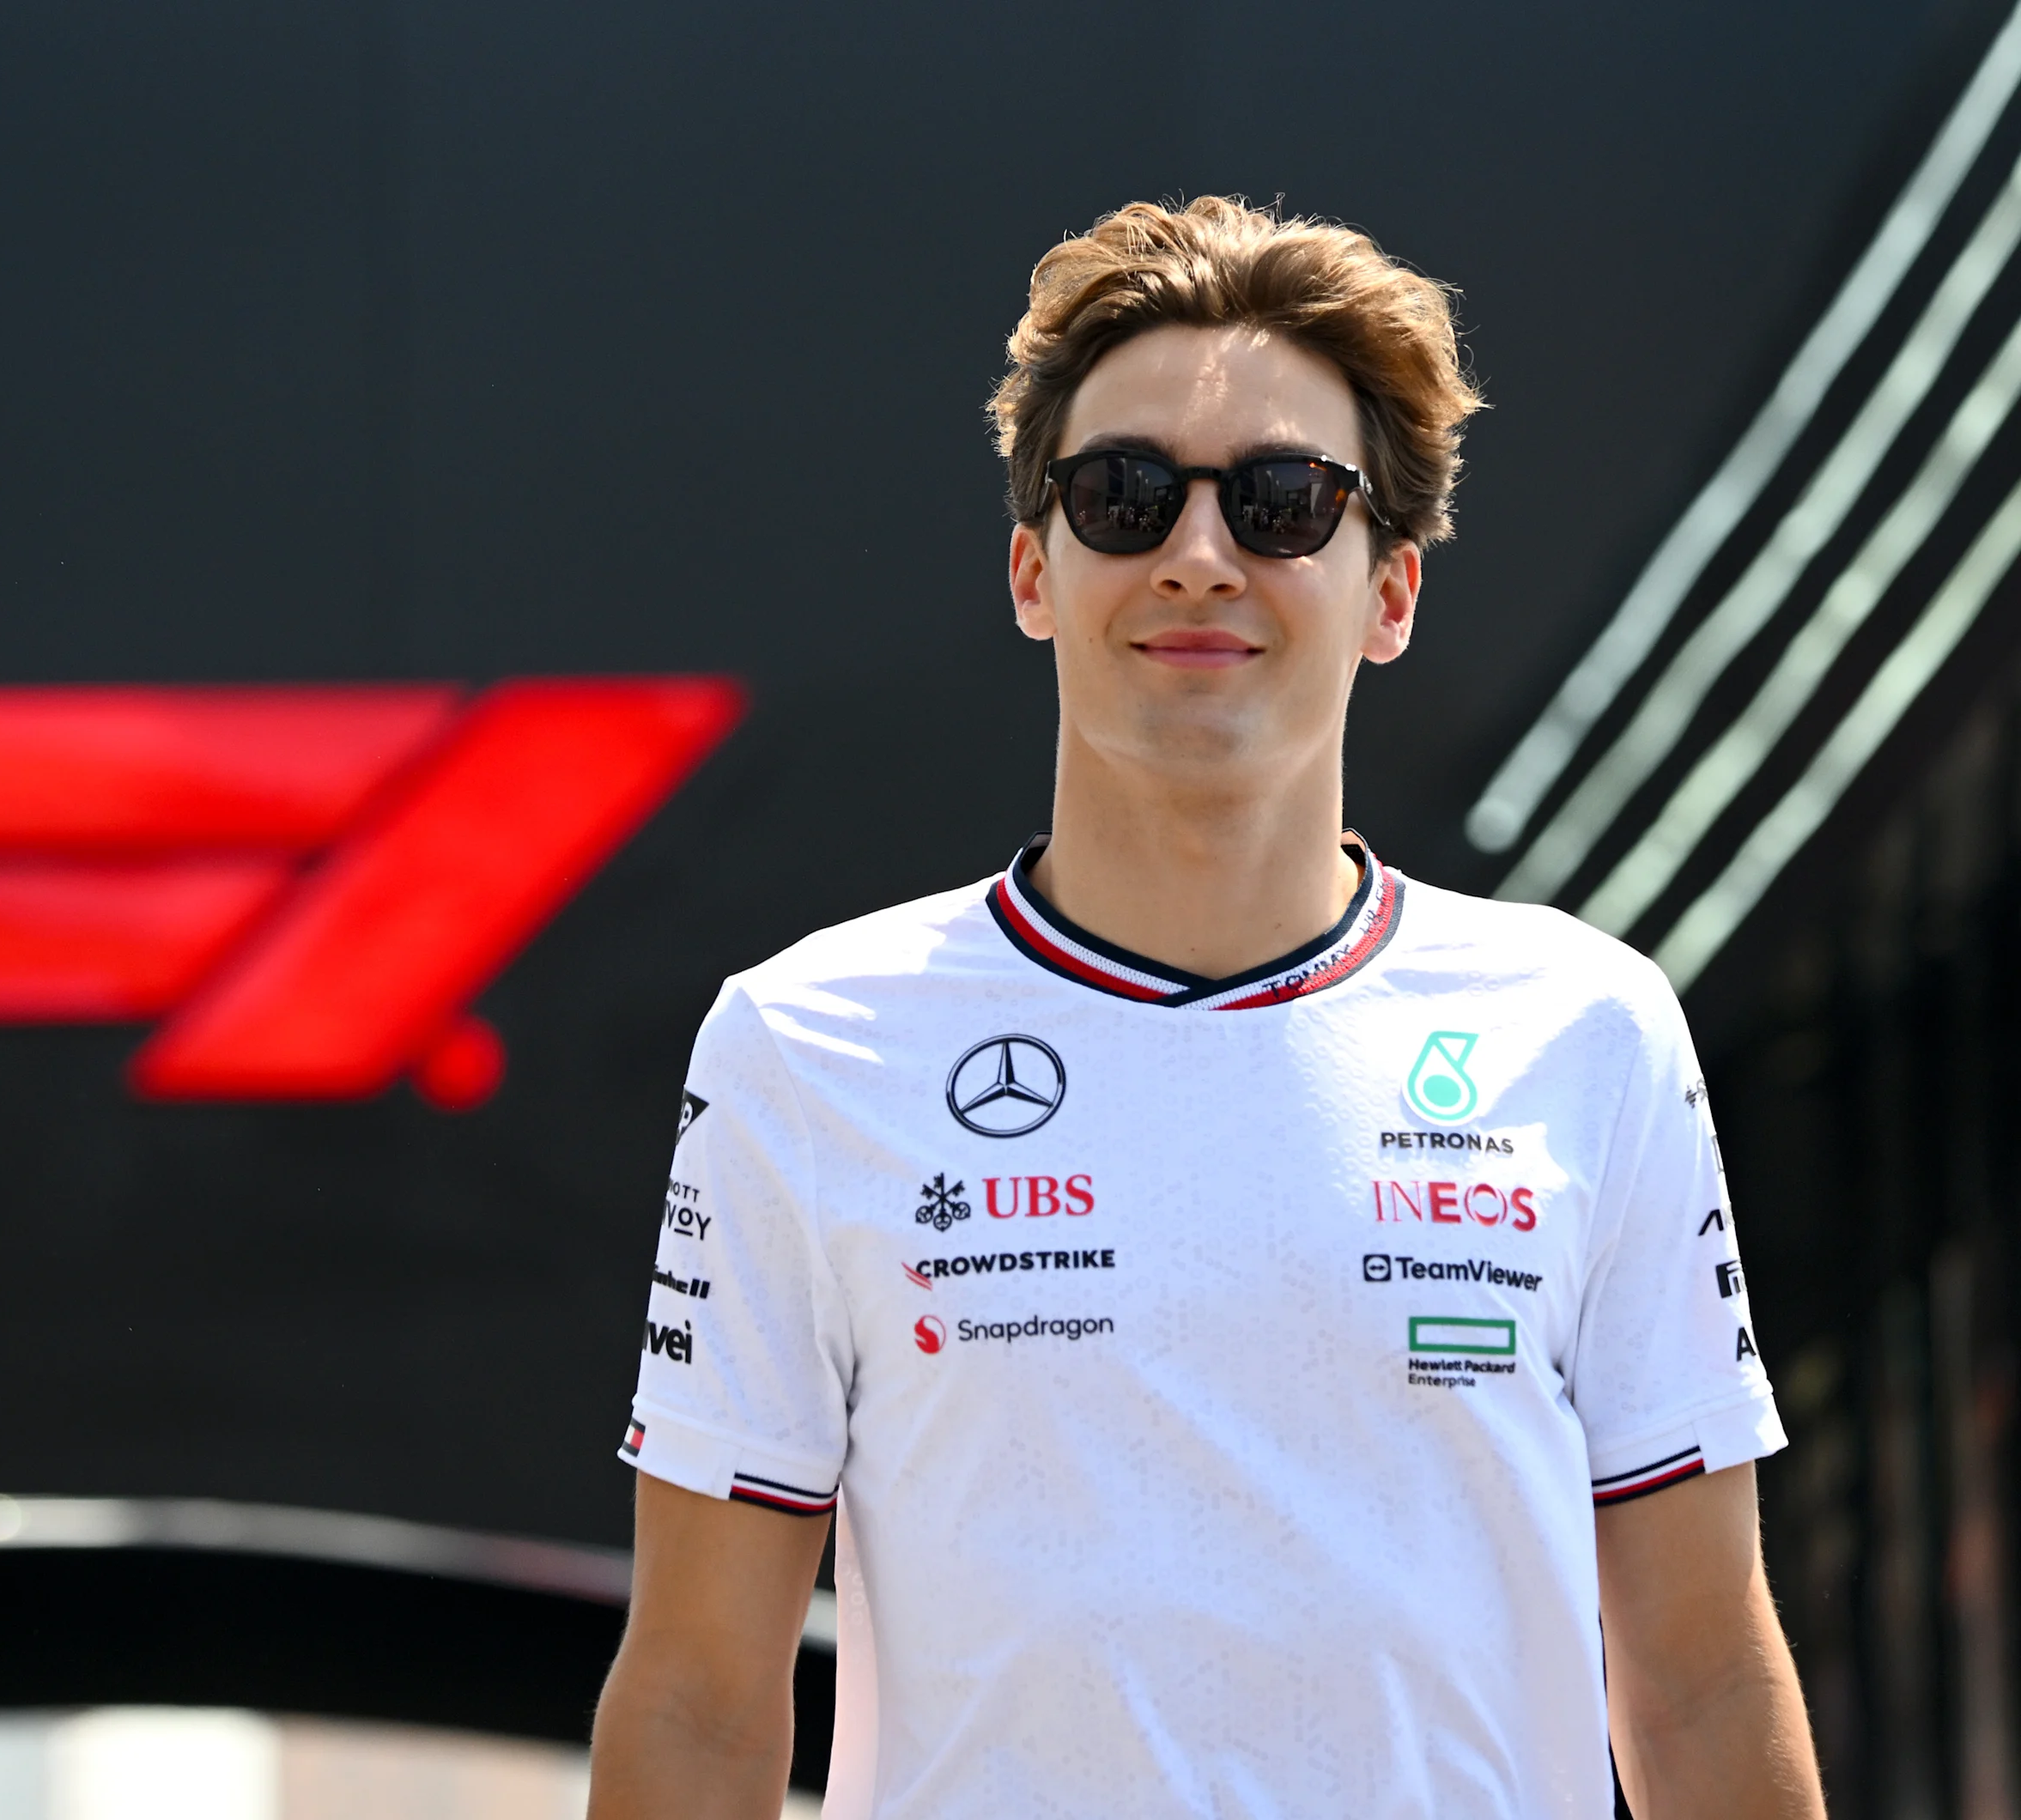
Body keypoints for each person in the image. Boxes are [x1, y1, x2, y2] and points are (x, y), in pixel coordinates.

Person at [586, 197, 1824, 1819]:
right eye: (1122, 494)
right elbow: (697, 1698)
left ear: (1391, 593)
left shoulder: (1591, 1031)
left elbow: (1705, 1674)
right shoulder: (800, 1049)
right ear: (1036, 571)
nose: (1198, 552)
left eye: (1285, 501)